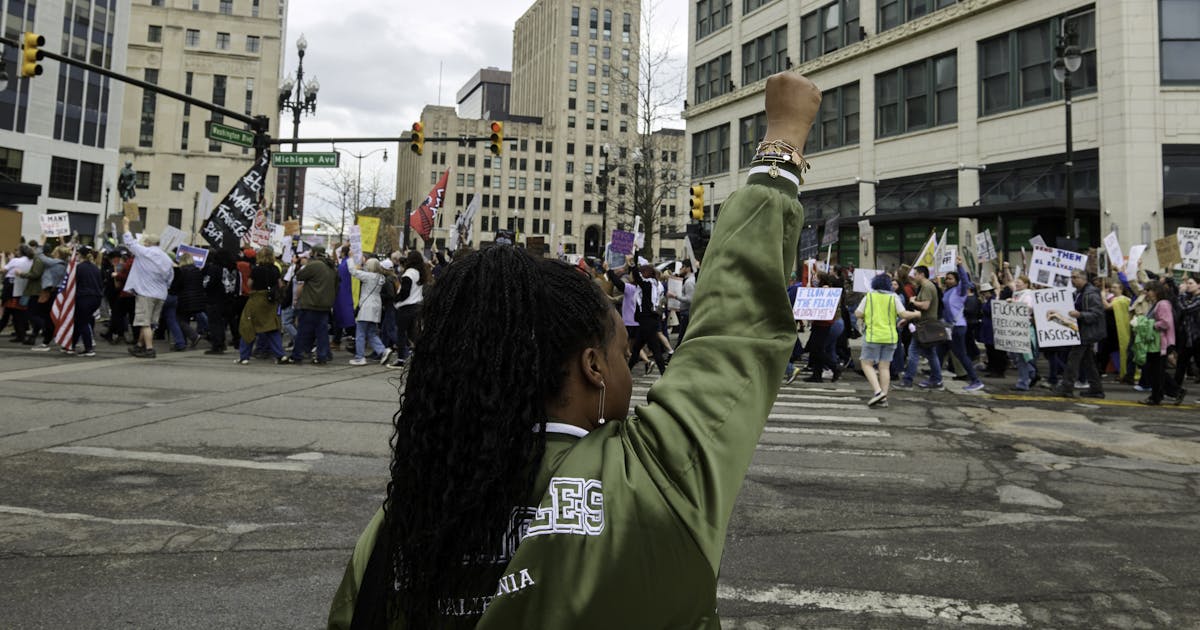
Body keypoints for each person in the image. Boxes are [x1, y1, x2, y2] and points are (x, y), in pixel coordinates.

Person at [326, 70, 820, 630]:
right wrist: (783, 143)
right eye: (620, 350)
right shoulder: (654, 478)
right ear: (593, 368)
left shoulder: (396, 528)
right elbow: (734, 325)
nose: (628, 366)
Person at [854, 273, 920, 407]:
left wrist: (868, 315)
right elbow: (903, 314)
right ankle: (884, 398)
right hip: (890, 337)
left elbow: (858, 313)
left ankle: (878, 392)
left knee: (866, 363)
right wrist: (916, 314)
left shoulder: (869, 296)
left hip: (873, 336)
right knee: (885, 367)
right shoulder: (894, 297)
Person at [120, 219, 175, 358]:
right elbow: (170, 277)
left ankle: (149, 349)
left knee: (144, 323)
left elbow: (129, 242)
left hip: (146, 293)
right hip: (160, 294)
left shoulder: (144, 252)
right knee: (151, 323)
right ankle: (139, 346)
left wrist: (126, 226)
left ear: (148, 243)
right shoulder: (167, 258)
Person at [1056, 270, 1105, 398]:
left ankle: (1067, 387)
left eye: (1075, 277)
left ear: (1083, 278)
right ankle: (1096, 389)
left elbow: (1097, 313)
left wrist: (1080, 314)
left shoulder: (1090, 293)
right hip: (1081, 331)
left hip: (1086, 332)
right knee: (1088, 362)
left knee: (1073, 360)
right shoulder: (1079, 292)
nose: (1072, 280)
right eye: (1071, 277)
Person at [288, 245, 339, 365]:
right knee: (322, 332)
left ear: (315, 253)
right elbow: (336, 286)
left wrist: (301, 264)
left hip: (311, 303)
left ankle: (297, 355)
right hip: (325, 305)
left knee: (303, 331)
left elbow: (299, 276)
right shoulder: (332, 267)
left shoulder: (314, 264)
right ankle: (322, 356)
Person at [237, 247, 287, 365]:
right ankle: (280, 355)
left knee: (248, 326)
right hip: (270, 301)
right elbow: (280, 284)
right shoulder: (275, 269)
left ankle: (244, 356)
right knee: (271, 327)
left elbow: (250, 283)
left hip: (256, 299)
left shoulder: (256, 269)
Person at [897, 265, 943, 390]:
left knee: (913, 352)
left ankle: (908, 380)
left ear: (922, 274)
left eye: (915, 274)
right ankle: (937, 380)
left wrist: (913, 301)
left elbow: (925, 306)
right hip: (924, 324)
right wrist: (907, 319)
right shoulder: (924, 286)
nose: (913, 276)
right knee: (930, 354)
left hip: (925, 325)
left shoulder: (927, 286)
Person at [941, 263, 985, 392]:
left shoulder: (960, 290)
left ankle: (975, 380)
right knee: (941, 352)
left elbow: (965, 280)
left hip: (958, 327)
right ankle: (935, 378)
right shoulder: (947, 292)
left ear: (957, 280)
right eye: (946, 278)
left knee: (961, 354)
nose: (947, 280)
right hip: (949, 327)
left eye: (950, 278)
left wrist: (960, 266)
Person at [1140, 280, 1184, 405]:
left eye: (1148, 290)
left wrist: (1150, 324)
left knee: (1155, 371)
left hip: (1160, 342)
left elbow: (1166, 322)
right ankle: (1164, 394)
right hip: (1155, 342)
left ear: (1156, 291)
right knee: (1154, 370)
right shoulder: (1157, 304)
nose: (1146, 293)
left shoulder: (1163, 304)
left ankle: (1161, 395)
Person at [386, 251, 427, 369]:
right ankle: (422, 355)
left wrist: (395, 299)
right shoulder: (420, 273)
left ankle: (401, 360)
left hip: (406, 307)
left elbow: (405, 292)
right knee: (412, 334)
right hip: (416, 305)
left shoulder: (408, 273)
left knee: (401, 334)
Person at [348, 257, 391, 366]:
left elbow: (352, 271)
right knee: (371, 332)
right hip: (376, 306)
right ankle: (383, 350)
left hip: (366, 306)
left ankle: (360, 357)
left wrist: (350, 258)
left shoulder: (368, 276)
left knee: (360, 333)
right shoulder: (381, 277)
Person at [69, 247, 104, 357]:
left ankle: (89, 348)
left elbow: (74, 283)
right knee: (80, 321)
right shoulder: (95, 268)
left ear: (80, 255)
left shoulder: (79, 268)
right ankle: (71, 345)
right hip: (96, 298)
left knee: (82, 322)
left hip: (84, 297)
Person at [1174, 275, 1200, 389]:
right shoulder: (1189, 298)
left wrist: (1181, 294)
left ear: (1199, 285)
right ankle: (1175, 391)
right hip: (1187, 337)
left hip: (1197, 337)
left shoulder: (1198, 299)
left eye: (1191, 283)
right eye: (1187, 283)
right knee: (1181, 363)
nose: (1188, 286)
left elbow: (1186, 308)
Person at [671, 259, 696, 346]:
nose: (680, 268)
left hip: (686, 312)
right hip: (686, 312)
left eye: (683, 266)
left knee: (682, 337)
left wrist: (675, 296)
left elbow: (690, 299)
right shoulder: (691, 280)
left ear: (688, 268)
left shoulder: (689, 282)